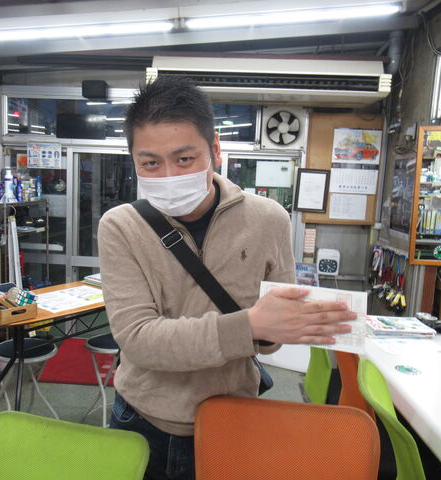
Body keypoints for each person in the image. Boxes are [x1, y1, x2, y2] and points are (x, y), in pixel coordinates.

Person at [97, 76, 356, 480]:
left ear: (215, 149)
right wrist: (250, 325)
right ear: (134, 160)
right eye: (150, 163)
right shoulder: (120, 226)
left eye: (185, 159)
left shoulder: (268, 219)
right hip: (144, 419)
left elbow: (271, 342)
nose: (168, 176)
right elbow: (139, 340)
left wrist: (282, 326)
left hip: (234, 414)